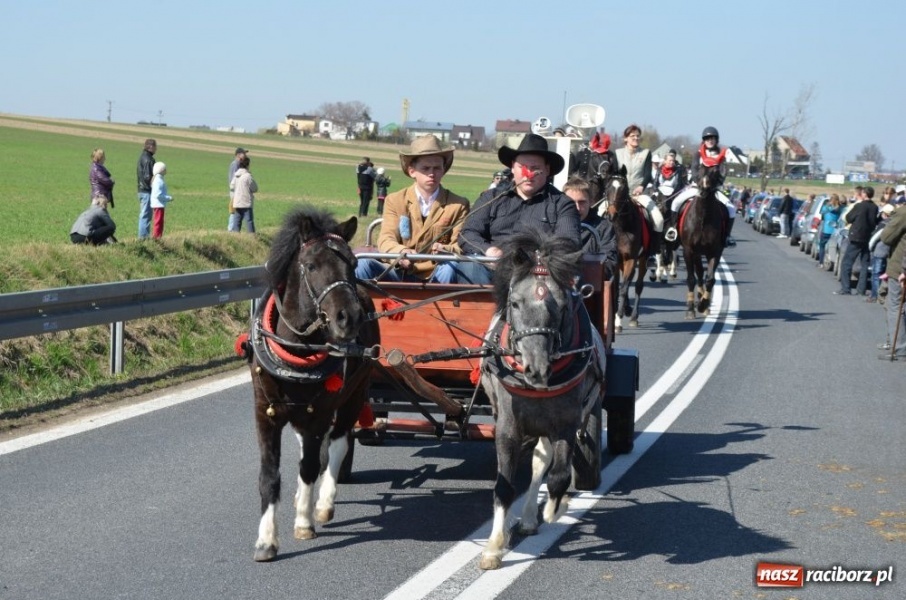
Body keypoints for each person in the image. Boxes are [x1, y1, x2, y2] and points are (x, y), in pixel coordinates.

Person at [456, 133, 580, 285]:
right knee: (469, 267)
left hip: (537, 276)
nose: (528, 174)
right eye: (522, 167)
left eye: (535, 168)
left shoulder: (562, 204)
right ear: (512, 168)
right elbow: (468, 233)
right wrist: (488, 251)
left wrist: (535, 260)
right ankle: (484, 309)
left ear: (547, 170)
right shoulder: (491, 198)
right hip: (492, 271)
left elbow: (568, 243)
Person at [355, 135, 470, 283]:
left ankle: (438, 304)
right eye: (426, 168)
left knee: (450, 267)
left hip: (436, 275)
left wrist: (445, 249)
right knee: (363, 265)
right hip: (399, 271)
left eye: (437, 168)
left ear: (443, 170)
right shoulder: (395, 200)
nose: (432, 173)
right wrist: (401, 252)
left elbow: (461, 245)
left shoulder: (458, 205)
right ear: (412, 171)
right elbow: (386, 238)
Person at [667, 126, 737, 246]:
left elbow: (722, 174)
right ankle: (673, 229)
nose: (710, 140)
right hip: (697, 187)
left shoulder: (721, 156)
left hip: (714, 189)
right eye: (707, 138)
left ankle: (727, 236)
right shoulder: (697, 155)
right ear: (704, 140)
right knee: (676, 202)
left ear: (716, 140)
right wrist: (701, 183)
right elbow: (694, 171)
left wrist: (714, 185)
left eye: (712, 138)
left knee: (731, 209)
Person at [614, 124, 663, 244]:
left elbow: (647, 175)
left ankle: (654, 247)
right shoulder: (617, 153)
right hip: (619, 195)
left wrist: (642, 186)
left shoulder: (646, 153)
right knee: (600, 213)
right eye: (632, 136)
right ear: (625, 138)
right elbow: (614, 175)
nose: (636, 138)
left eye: (637, 136)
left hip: (639, 194)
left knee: (658, 219)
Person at [563, 177, 617, 269]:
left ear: (591, 202)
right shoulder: (553, 224)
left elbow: (609, 262)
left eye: (582, 202)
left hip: (590, 280)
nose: (577, 208)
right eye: (571, 202)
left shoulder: (605, 227)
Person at [835, 186, 878, 296]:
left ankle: (846, 288)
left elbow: (849, 218)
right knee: (865, 264)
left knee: (846, 263)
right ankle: (861, 289)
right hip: (868, 237)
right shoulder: (875, 207)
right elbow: (874, 221)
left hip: (856, 237)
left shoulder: (859, 206)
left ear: (864, 194)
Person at [879, 204, 906, 359]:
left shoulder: (903, 213)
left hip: (900, 267)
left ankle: (900, 348)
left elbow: (886, 237)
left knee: (894, 306)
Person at [867, 203, 895, 302]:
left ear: (885, 214)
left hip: (879, 252)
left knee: (876, 274)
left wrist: (870, 248)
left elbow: (875, 238)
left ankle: (875, 295)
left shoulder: (883, 224)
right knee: (884, 274)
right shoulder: (894, 224)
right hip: (890, 253)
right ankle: (884, 294)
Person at [229, 155, 258, 233]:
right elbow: (255, 188)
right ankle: (252, 237)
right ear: (247, 165)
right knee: (249, 221)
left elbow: (231, 186)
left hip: (237, 202)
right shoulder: (248, 176)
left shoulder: (236, 176)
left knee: (237, 222)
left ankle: (236, 236)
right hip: (246, 202)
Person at [136, 138, 157, 238]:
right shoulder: (148, 159)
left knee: (144, 215)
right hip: (146, 191)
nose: (156, 149)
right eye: (155, 146)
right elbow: (148, 177)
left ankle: (143, 237)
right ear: (151, 147)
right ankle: (143, 238)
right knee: (145, 215)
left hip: (141, 189)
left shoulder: (142, 157)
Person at [817, 193, 843, 266]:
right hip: (836, 231)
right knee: (835, 246)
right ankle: (834, 261)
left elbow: (821, 213)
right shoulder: (840, 208)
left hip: (826, 230)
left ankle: (821, 262)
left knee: (822, 245)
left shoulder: (826, 207)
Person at [150, 162, 173, 239]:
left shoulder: (158, 179)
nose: (166, 170)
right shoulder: (158, 180)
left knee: (160, 222)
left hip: (159, 205)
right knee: (158, 222)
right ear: (161, 170)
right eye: (164, 169)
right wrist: (168, 198)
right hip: (158, 205)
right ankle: (156, 238)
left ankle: (158, 236)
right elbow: (158, 195)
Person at [228, 147, 248, 230]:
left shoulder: (238, 164)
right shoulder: (235, 164)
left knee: (236, 210)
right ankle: (230, 229)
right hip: (235, 191)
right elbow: (234, 178)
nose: (245, 155)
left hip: (237, 191)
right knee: (234, 211)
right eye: (244, 153)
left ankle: (234, 229)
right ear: (238, 155)